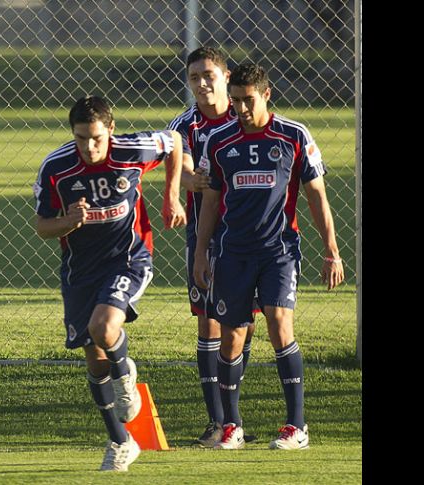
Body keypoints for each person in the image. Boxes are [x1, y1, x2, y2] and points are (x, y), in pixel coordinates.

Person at [193, 63, 344, 450]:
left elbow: (316, 195)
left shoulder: (294, 135)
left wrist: (331, 250)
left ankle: (296, 426)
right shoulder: (219, 141)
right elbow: (210, 202)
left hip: (279, 250)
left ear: (266, 94)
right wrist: (201, 254)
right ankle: (232, 426)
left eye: (249, 100)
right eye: (236, 101)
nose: (241, 108)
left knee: (279, 323)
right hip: (232, 253)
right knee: (232, 338)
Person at [34, 96, 185, 471]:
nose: (89, 147)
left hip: (128, 259)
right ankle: (120, 441)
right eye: (81, 138)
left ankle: (125, 375)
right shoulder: (56, 167)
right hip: (81, 271)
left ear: (111, 130)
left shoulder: (133, 150)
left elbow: (174, 141)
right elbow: (42, 226)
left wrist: (171, 196)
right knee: (94, 357)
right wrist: (68, 222)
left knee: (103, 328)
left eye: (97, 138)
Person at [166, 46, 258, 447]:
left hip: (248, 234)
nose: (202, 83)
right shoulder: (184, 125)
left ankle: (232, 417)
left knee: (246, 323)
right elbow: (183, 172)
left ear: (226, 76)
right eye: (194, 77)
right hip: (204, 235)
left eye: (209, 75)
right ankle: (216, 421)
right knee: (209, 321)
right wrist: (190, 180)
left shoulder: (245, 116)